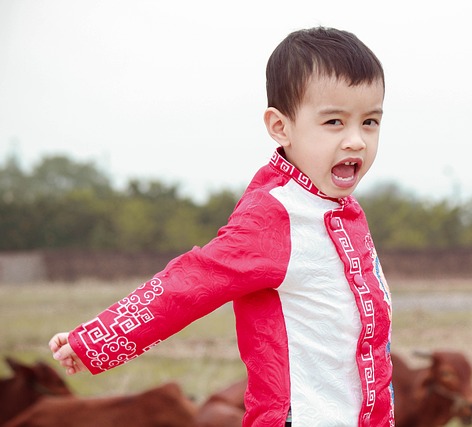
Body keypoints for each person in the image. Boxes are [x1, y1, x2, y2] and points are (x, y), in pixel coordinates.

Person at [49, 26, 393, 427]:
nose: (356, 140)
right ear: (281, 127)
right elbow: (189, 283)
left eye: (370, 122)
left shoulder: (343, 210)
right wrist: (94, 340)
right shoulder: (274, 216)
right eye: (334, 122)